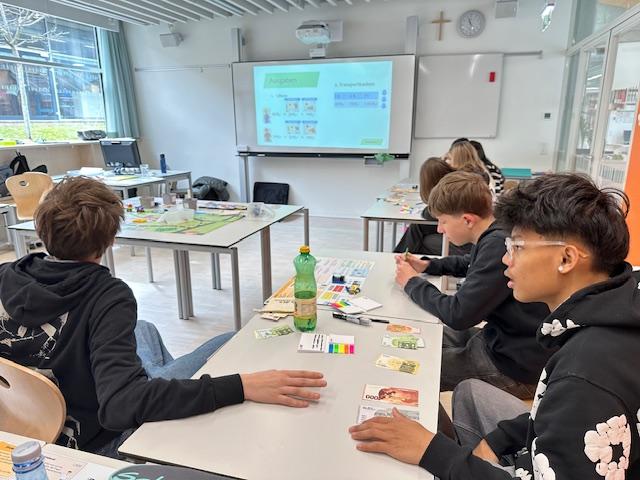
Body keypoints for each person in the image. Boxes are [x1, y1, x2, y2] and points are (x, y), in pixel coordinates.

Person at [0, 177, 326, 458]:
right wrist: (241, 386)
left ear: (41, 228)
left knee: (144, 329)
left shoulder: (5, 273)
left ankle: (159, 387)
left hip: (18, 429)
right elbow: (121, 406)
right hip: (86, 445)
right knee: (229, 340)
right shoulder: (107, 295)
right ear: (110, 240)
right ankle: (164, 394)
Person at [350, 173, 640, 479]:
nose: (505, 259)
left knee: (423, 375)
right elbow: (550, 415)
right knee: (468, 394)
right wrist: (498, 438)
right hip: (536, 436)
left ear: (566, 259)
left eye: (517, 247)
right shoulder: (607, 311)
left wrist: (432, 451)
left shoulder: (586, 375)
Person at [395, 171, 550, 398]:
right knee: (421, 335)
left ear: (467, 220)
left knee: (413, 365)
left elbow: (458, 314)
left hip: (513, 367)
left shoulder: (497, 244)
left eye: (443, 221)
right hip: (501, 340)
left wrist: (412, 283)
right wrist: (428, 265)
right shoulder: (495, 232)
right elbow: (470, 263)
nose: (439, 229)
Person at [394, 157, 471, 256]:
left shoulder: (451, 193)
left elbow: (429, 213)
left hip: (466, 244)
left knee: (418, 231)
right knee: (417, 229)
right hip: (464, 235)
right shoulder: (458, 183)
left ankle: (399, 256)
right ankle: (400, 255)